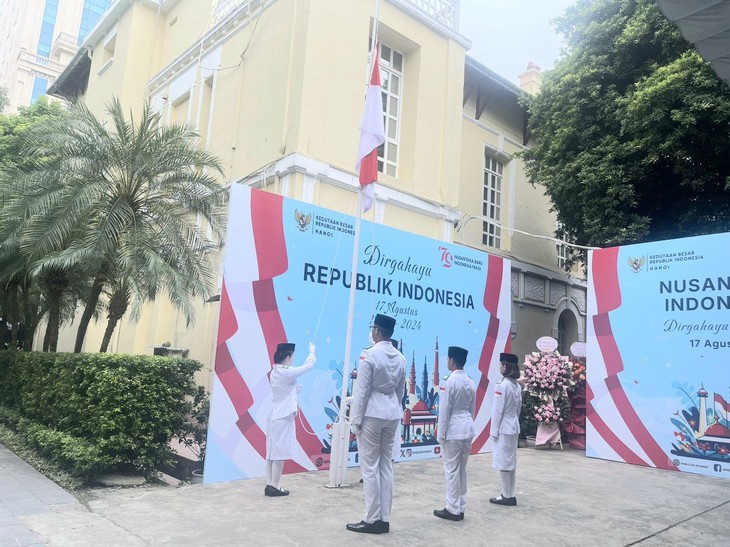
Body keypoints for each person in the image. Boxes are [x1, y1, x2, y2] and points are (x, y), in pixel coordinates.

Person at [346, 314, 406, 535]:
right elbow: (400, 391)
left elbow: (361, 391)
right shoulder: (401, 357)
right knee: (385, 465)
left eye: (373, 328)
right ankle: (384, 518)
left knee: (369, 467)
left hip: (372, 412)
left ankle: (372, 518)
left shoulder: (369, 355)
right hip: (392, 412)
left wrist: (356, 421)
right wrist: (393, 408)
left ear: (377, 331)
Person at [265, 341, 316, 497]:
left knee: (271, 453)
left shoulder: (277, 371)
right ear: (287, 357)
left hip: (275, 415)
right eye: (293, 356)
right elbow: (306, 367)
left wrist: (294, 390)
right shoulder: (284, 372)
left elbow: (284, 391)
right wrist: (312, 353)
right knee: (279, 453)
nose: (293, 359)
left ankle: (270, 484)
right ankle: (275, 485)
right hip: (282, 417)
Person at [434, 346, 476, 521]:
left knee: (451, 470)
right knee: (461, 470)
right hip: (467, 427)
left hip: (453, 429)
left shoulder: (449, 381)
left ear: (451, 361)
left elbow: (444, 410)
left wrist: (440, 433)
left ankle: (452, 508)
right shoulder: (470, 381)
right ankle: (460, 505)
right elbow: (472, 409)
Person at [489, 352, 522, 506]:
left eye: (501, 364)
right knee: (510, 462)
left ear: (506, 367)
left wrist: (493, 431)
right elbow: (518, 409)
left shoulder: (501, 386)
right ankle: (510, 493)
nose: (499, 367)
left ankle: (505, 495)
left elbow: (497, 411)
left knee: (503, 462)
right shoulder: (516, 386)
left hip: (503, 427)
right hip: (513, 425)